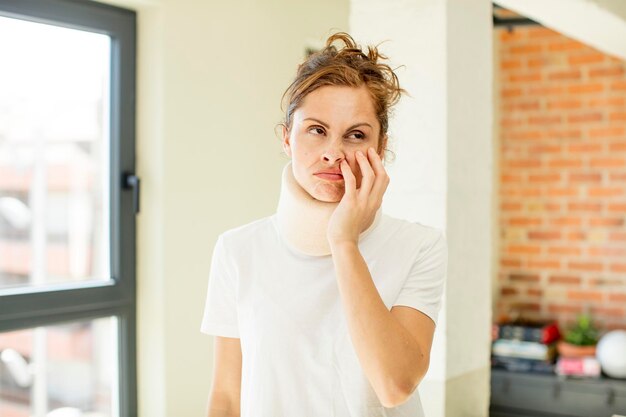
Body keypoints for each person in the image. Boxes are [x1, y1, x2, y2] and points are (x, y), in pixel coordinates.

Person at [201, 32, 448, 417]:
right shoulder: (237, 250)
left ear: (380, 150)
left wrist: (344, 242)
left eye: (356, 135)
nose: (333, 153)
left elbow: (395, 383)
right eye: (316, 130)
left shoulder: (420, 245)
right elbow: (228, 398)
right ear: (287, 138)